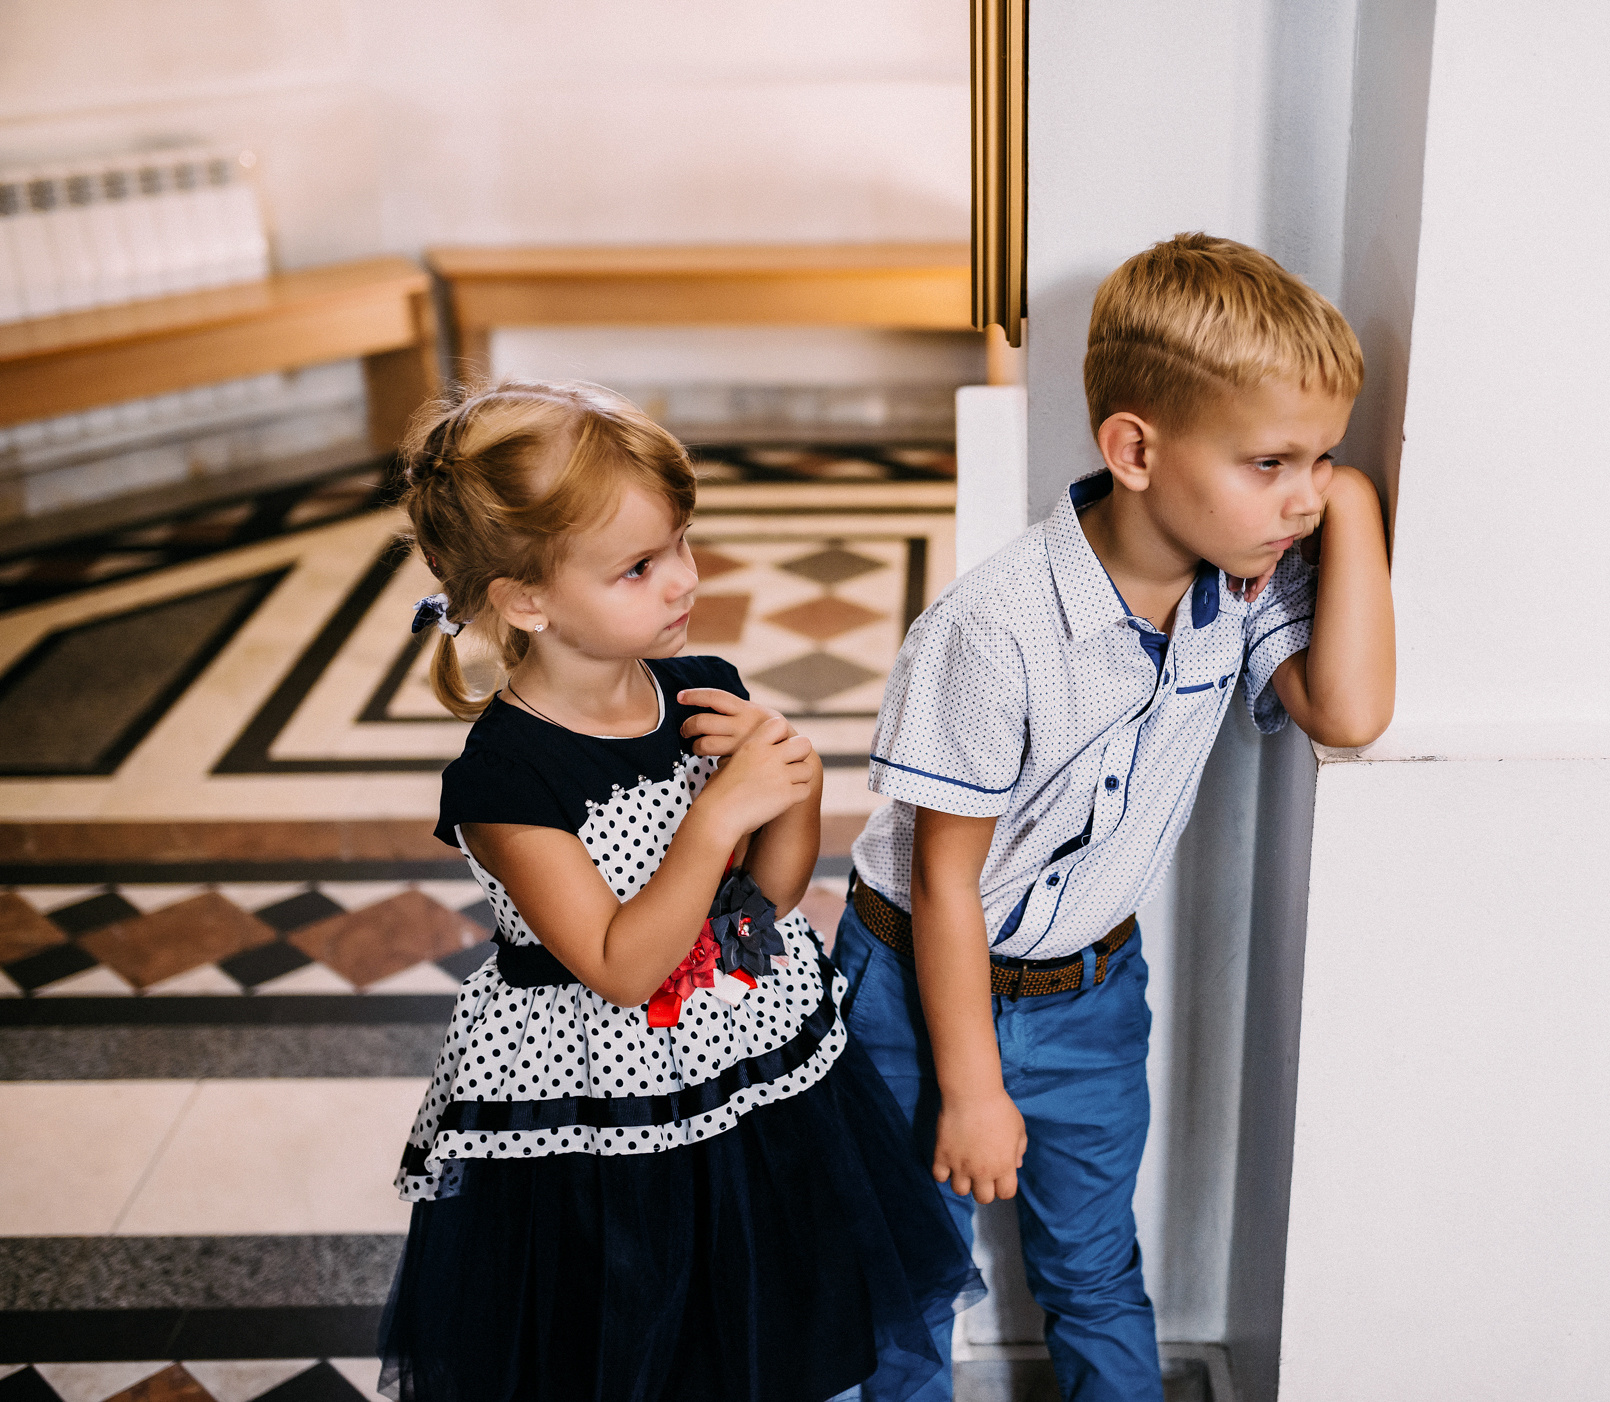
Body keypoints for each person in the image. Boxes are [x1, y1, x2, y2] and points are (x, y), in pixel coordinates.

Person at [836, 233, 1397, 1401]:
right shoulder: (994, 628)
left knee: (1096, 1269)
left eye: (1323, 458)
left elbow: (1349, 710)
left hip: (1091, 997)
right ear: (1136, 450)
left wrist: (1350, 506)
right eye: (1272, 462)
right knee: (903, 1280)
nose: (1302, 493)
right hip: (916, 989)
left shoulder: (1244, 585)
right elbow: (944, 885)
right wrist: (975, 1087)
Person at [377, 380, 981, 1402]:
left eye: (681, 545)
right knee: (627, 1336)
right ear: (527, 598)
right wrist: (714, 814)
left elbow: (766, 902)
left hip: (748, 1064)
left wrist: (793, 777)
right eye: (639, 566)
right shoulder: (504, 779)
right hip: (597, 1111)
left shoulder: (700, 685)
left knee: (761, 1316)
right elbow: (622, 965)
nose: (682, 581)